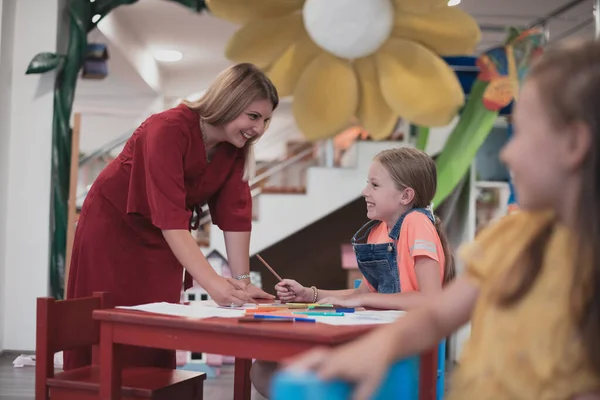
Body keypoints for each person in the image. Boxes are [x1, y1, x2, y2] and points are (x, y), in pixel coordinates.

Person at [287, 39, 600, 400]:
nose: (507, 153)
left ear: (574, 144)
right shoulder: (511, 238)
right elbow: (437, 315)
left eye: (523, 132)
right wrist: (375, 349)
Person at [65, 63, 277, 371]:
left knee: (156, 323)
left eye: (266, 120)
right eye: (253, 116)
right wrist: (215, 284)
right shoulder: (167, 128)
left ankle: (147, 386)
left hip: (163, 238)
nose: (258, 129)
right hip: (112, 231)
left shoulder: (234, 148)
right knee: (107, 318)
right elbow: (171, 219)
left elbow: (236, 216)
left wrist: (242, 284)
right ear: (228, 101)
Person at [251, 147, 455, 397]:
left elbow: (429, 299)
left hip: (405, 349)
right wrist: (309, 294)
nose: (364, 192)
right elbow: (365, 292)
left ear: (406, 195)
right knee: (263, 367)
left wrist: (360, 299)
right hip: (377, 336)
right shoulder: (379, 230)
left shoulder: (417, 223)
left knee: (268, 370)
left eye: (375, 185)